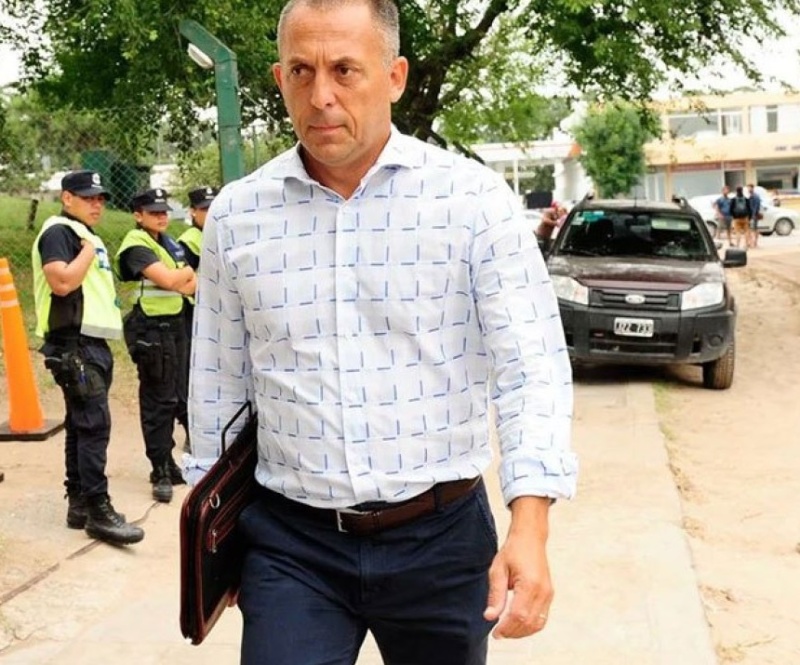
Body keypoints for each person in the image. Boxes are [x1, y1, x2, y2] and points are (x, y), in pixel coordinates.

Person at [186, 1, 577, 663]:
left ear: (394, 77)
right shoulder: (237, 217)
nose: (321, 95)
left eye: (344, 70)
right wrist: (212, 536)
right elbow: (218, 386)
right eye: (301, 72)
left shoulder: (473, 204)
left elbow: (531, 369)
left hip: (442, 539)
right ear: (279, 79)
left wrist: (530, 527)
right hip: (291, 545)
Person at [31, 170, 144, 545]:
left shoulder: (81, 233)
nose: (97, 204)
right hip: (75, 343)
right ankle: (98, 509)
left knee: (81, 425)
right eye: (88, 198)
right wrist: (87, 252)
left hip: (90, 343)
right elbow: (61, 281)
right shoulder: (61, 232)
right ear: (67, 198)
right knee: (94, 425)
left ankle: (79, 504)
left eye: (100, 199)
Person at [113, 188, 196, 503]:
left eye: (164, 212)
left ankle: (170, 465)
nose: (161, 217)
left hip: (174, 326)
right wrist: (185, 273)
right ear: (138, 215)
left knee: (175, 396)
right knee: (158, 401)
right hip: (150, 329)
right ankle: (159, 468)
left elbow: (190, 285)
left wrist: (180, 277)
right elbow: (173, 281)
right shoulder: (137, 245)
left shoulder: (169, 243)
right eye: (154, 212)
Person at [176, 186, 218, 451]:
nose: (210, 212)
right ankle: (195, 434)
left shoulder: (217, 232)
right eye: (204, 208)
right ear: (193, 212)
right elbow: (184, 281)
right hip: (196, 315)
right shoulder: (189, 240)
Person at [746, 183, 762, 249]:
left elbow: (755, 207)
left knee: (754, 229)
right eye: (748, 188)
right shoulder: (751, 196)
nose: (748, 189)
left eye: (749, 188)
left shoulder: (755, 196)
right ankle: (752, 243)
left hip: (753, 215)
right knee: (752, 229)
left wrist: (753, 215)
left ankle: (754, 243)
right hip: (751, 215)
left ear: (752, 188)